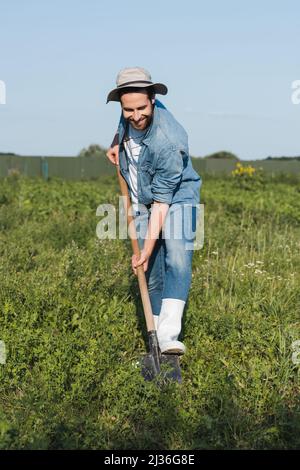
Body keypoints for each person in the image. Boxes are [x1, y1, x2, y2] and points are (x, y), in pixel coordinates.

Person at [106, 67, 202, 355]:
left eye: (142, 108)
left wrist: (145, 248)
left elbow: (162, 204)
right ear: (122, 104)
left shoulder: (169, 141)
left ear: (153, 100)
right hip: (142, 196)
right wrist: (115, 142)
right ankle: (155, 332)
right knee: (151, 268)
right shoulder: (130, 110)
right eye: (128, 110)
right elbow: (125, 123)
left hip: (176, 196)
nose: (136, 116)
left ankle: (169, 335)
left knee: (176, 255)